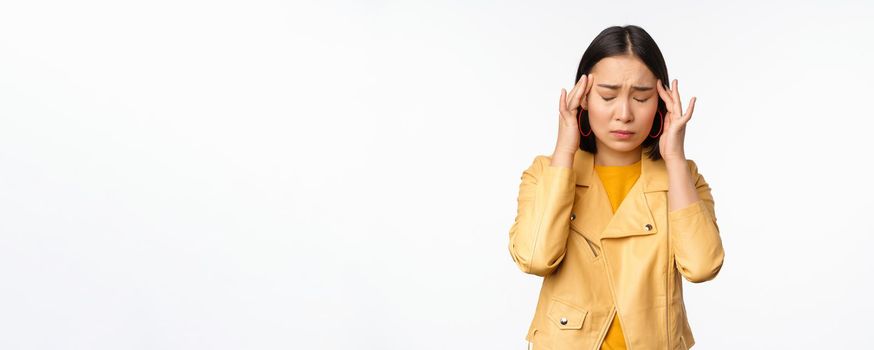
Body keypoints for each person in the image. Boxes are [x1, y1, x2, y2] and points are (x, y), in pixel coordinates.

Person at [508, 25, 724, 350]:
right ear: (582, 98)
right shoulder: (545, 173)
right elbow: (536, 258)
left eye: (641, 97)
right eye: (608, 96)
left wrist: (675, 158)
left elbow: (703, 266)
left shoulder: (683, 177)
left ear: (661, 103)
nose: (624, 114)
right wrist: (565, 152)